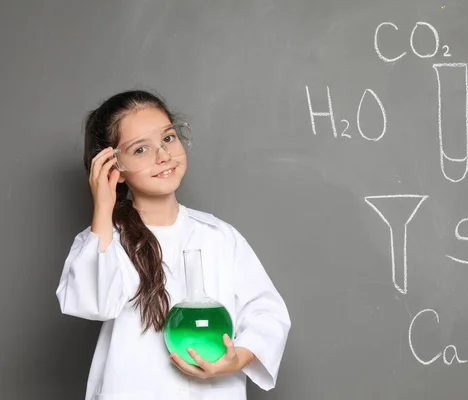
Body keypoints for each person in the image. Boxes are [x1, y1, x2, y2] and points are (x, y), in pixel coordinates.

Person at [55, 90, 291, 400]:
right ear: (115, 168)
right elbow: (94, 303)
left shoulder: (219, 236)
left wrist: (239, 356)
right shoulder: (103, 241)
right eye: (140, 149)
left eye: (167, 139)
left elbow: (266, 312)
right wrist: (103, 206)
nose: (163, 156)